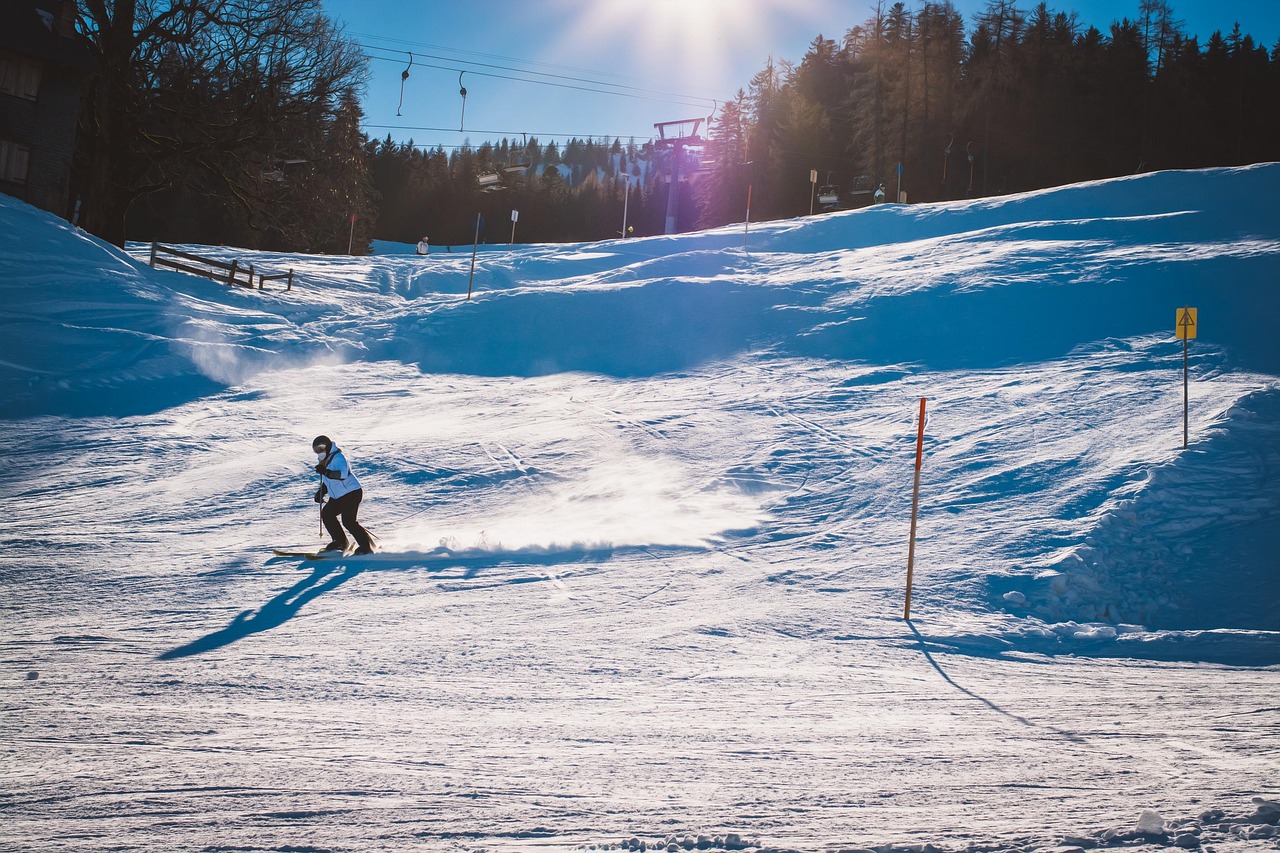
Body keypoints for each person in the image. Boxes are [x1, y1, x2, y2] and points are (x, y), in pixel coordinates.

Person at [310, 435, 375, 555]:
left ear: (328, 447)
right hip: (337, 496)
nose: (319, 452)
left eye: (321, 448)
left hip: (351, 493)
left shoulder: (338, 457)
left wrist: (326, 472)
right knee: (327, 514)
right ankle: (340, 543)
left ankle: (366, 547)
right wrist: (321, 491)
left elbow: (342, 475)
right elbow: (328, 480)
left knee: (348, 521)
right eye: (316, 450)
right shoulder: (324, 460)